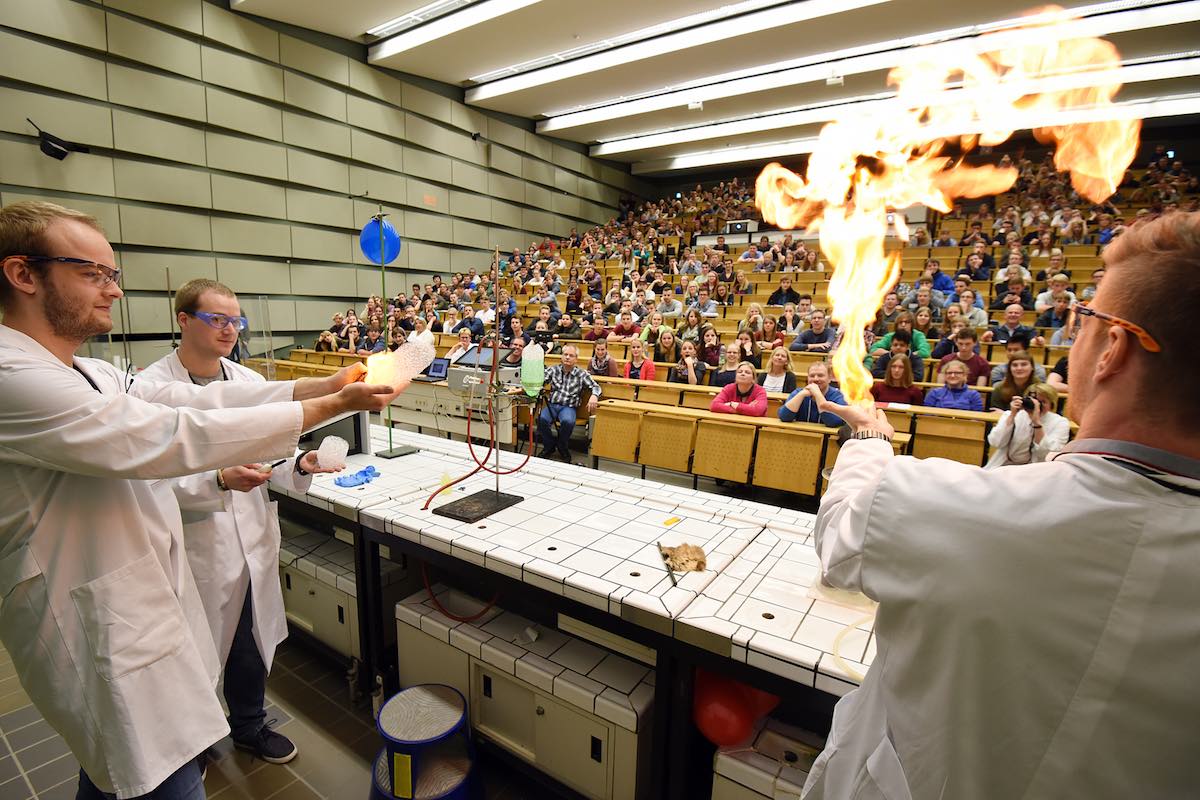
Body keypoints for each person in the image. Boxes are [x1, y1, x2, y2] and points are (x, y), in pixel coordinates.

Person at [0, 201, 398, 800]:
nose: (112, 291)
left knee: (119, 773)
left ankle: (246, 723)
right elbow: (169, 437)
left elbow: (198, 407)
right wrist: (331, 408)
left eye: (114, 276)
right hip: (96, 618)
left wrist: (324, 386)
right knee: (147, 771)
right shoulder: (14, 377)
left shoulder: (94, 372)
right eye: (94, 274)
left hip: (141, 606)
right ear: (23, 274)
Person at [797, 211, 1200, 800]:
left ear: (1112, 349)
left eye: (1084, 315)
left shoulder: (960, 508)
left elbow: (841, 537)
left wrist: (869, 438)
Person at [141, 279, 336, 767]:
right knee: (196, 647)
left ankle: (248, 725)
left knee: (249, 639)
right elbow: (145, 483)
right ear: (183, 321)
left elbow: (273, 455)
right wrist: (219, 480)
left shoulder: (247, 383)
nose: (230, 329)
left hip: (252, 542)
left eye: (236, 321)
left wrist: (300, 464)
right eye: (217, 319)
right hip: (195, 546)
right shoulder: (150, 389)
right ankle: (197, 742)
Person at [537, 344, 600, 463]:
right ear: (561, 356)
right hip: (553, 405)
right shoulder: (553, 369)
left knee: (568, 421)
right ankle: (549, 446)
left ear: (576, 359)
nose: (567, 357)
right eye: (565, 354)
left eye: (571, 355)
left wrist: (594, 395)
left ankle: (562, 446)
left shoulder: (581, 374)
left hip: (568, 407)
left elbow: (595, 386)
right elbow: (541, 381)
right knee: (542, 419)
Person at [985, 383, 1070, 468]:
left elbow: (1049, 454)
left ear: (1052, 405)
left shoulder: (1060, 423)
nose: (1037, 405)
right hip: (1004, 466)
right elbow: (995, 442)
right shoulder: (1012, 415)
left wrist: (1037, 423)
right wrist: (1012, 416)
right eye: (1034, 400)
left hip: (1037, 470)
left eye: (1042, 402)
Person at [778, 362, 844, 426]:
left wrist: (817, 394)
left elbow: (833, 422)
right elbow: (784, 417)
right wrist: (801, 395)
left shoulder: (838, 396)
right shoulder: (799, 393)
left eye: (820, 375)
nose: (816, 379)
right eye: (812, 376)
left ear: (829, 378)